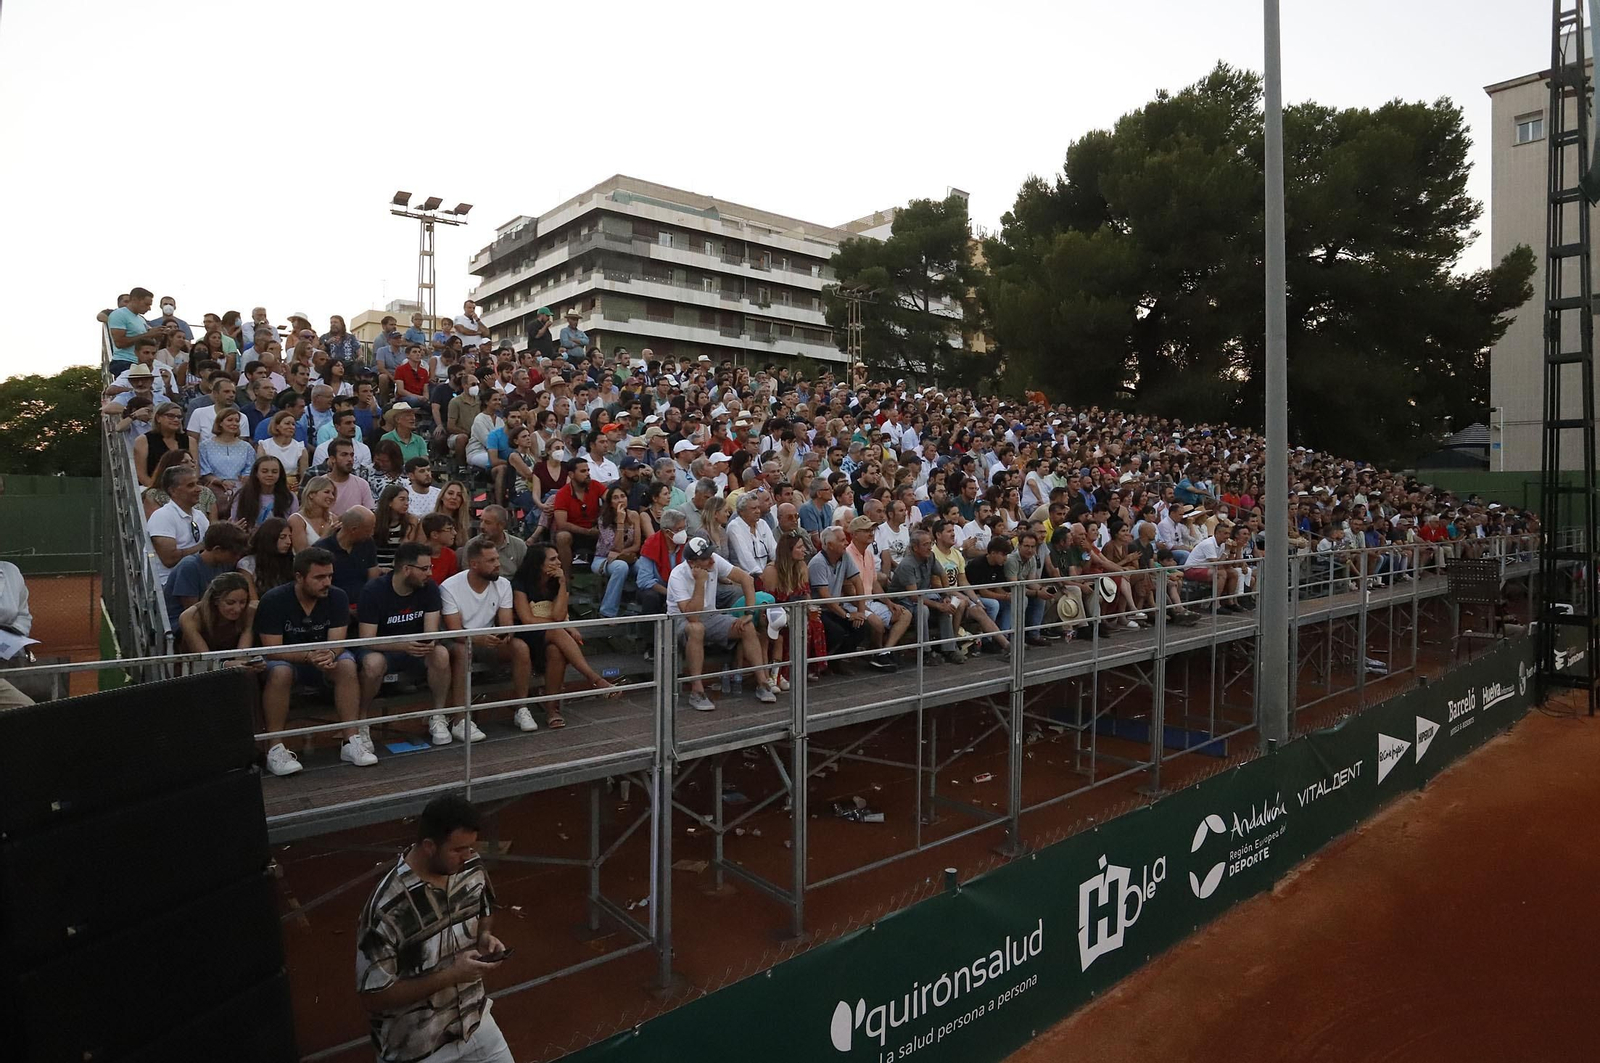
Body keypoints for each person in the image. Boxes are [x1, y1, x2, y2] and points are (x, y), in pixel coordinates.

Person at [356, 794, 512, 1063]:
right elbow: (374, 996)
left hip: (475, 1024)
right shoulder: (386, 909)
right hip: (417, 1049)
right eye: (457, 850)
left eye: (470, 847)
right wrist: (451, 975)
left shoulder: (470, 866)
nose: (468, 856)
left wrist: (484, 936)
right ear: (429, 846)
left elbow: (484, 909)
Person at [253, 547, 369, 775]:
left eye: (330, 576)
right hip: (286, 661)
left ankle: (350, 739)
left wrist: (330, 655)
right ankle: (275, 747)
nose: (326, 582)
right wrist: (308, 656)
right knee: (280, 672)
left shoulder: (337, 596)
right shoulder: (274, 600)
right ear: (299, 577)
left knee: (346, 663)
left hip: (322, 659)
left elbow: (337, 641)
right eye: (319, 577)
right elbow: (272, 649)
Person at [357, 542, 454, 746]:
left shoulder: (429, 588)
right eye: (424, 568)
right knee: (372, 664)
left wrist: (430, 641)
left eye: (431, 567)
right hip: (384, 649)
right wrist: (402, 644)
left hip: (415, 649)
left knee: (441, 653)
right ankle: (361, 721)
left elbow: (431, 629)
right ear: (406, 569)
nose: (429, 573)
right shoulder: (373, 591)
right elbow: (367, 638)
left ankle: (438, 715)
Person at [667, 536, 777, 711]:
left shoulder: (714, 560)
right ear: (692, 563)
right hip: (680, 621)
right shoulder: (677, 576)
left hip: (711, 616)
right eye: (705, 558)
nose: (711, 560)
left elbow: (746, 580)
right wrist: (700, 582)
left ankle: (762, 683)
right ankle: (697, 691)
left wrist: (749, 613)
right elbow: (692, 616)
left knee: (747, 627)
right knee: (696, 628)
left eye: (711, 555)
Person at [511, 543, 615, 728]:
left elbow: (559, 615)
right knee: (557, 631)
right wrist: (564, 627)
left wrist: (562, 584)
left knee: (556, 652)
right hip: (526, 635)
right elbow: (527, 619)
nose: (559, 562)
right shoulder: (520, 582)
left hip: (552, 634)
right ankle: (595, 679)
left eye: (558, 558)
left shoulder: (557, 581)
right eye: (552, 559)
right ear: (538, 563)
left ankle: (552, 710)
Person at [441, 536, 535, 738]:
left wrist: (505, 634)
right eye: (491, 561)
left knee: (520, 647)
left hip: (488, 641)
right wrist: (477, 639)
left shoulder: (502, 584)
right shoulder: (449, 587)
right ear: (474, 564)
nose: (498, 564)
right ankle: (460, 720)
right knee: (462, 650)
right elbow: (454, 631)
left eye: (497, 559)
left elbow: (506, 621)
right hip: (461, 641)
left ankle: (521, 708)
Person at [164, 522, 249, 633]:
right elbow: (192, 611)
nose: (237, 557)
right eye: (234, 553)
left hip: (216, 618)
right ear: (217, 550)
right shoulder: (189, 567)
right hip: (185, 624)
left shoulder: (225, 563)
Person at [147, 464, 210, 587]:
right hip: (167, 585)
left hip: (193, 581)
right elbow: (169, 559)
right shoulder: (162, 516)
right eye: (191, 485)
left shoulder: (200, 516)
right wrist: (203, 546)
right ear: (173, 490)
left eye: (197, 483)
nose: (199, 489)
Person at [177, 571, 257, 655]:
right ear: (215, 600)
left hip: (233, 661)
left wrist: (248, 664)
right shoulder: (191, 617)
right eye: (230, 603)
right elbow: (205, 658)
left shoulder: (249, 612)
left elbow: (242, 655)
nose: (238, 609)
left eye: (243, 602)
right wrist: (227, 664)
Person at [592, 483, 641, 618]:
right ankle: (607, 612)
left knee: (643, 566)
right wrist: (620, 522)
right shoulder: (603, 519)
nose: (620, 500)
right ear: (609, 502)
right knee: (621, 567)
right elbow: (615, 547)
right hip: (602, 558)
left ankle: (637, 605)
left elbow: (637, 545)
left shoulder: (634, 515)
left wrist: (620, 554)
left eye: (622, 496)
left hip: (625, 556)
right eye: (615, 498)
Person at [316, 505, 382, 606]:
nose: (372, 533)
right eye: (368, 530)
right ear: (354, 529)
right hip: (332, 606)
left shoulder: (367, 543)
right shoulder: (322, 549)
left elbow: (373, 574)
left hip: (364, 603)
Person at [551, 458, 602, 576]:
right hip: (574, 533)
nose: (588, 473)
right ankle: (565, 579)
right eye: (583, 471)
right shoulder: (562, 494)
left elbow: (611, 499)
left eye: (588, 470)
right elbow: (561, 523)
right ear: (571, 474)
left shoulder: (595, 485)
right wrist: (587, 531)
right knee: (562, 537)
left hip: (595, 530)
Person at [0, 560, 36, 709]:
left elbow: (23, 615)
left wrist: (11, 637)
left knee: (26, 710)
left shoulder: (11, 571)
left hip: (7, 653)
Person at [231, 455, 295, 529]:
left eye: (274, 472)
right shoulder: (241, 496)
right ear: (256, 473)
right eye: (264, 471)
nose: (270, 475)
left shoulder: (289, 497)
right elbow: (235, 523)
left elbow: (293, 526)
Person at [240, 517, 295, 595]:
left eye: (290, 537)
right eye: (282, 537)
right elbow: (252, 601)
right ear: (269, 538)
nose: (288, 542)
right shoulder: (247, 564)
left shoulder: (292, 562)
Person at [373, 485, 421, 571]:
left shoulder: (411, 520)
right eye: (402, 499)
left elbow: (404, 548)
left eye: (407, 499)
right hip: (374, 568)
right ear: (389, 502)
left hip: (397, 569)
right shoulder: (374, 519)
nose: (406, 503)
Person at [257, 410, 308, 489]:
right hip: (268, 486)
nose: (291, 427)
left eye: (293, 424)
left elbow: (304, 477)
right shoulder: (264, 446)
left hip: (292, 488)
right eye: (287, 424)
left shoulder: (300, 448)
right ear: (277, 426)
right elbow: (260, 471)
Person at [291, 475, 341, 552]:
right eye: (327, 492)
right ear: (311, 494)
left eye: (333, 493)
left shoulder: (334, 519)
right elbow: (302, 553)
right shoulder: (297, 520)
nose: (332, 497)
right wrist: (326, 535)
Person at [422, 512, 460, 583]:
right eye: (449, 529)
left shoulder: (450, 555)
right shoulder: (417, 555)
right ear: (435, 535)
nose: (455, 533)